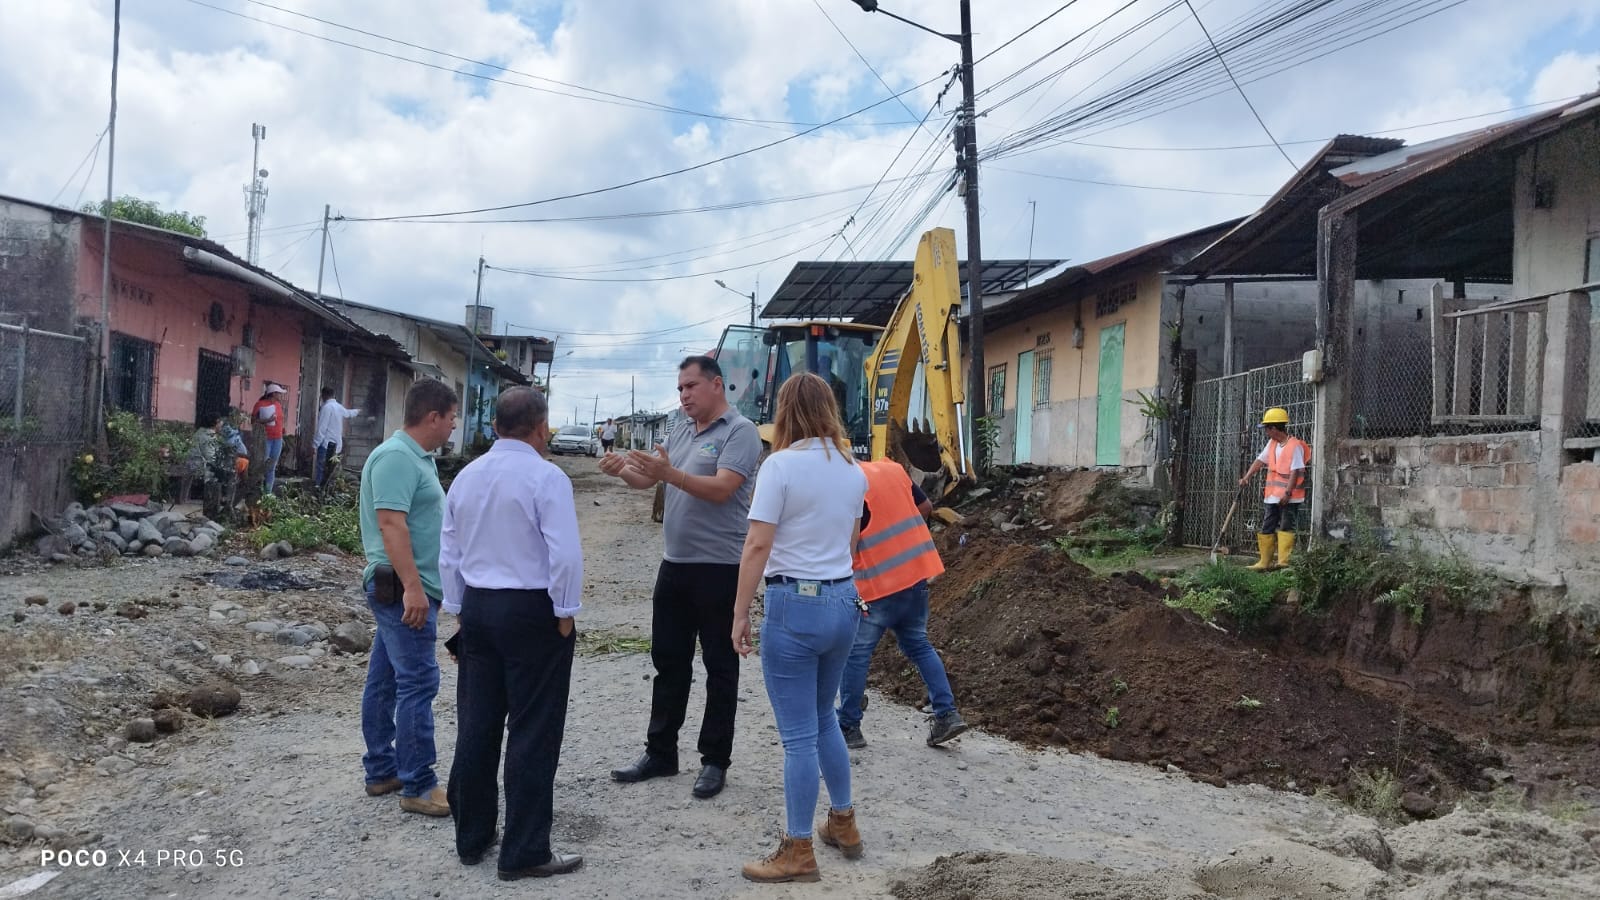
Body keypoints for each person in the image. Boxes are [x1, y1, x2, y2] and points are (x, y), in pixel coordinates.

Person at [600, 355, 761, 800]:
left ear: (716, 385)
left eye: (690, 386)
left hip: (720, 568)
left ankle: (714, 760)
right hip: (675, 565)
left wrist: (669, 473)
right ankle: (661, 752)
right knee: (668, 662)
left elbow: (723, 488)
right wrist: (623, 470)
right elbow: (652, 479)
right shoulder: (680, 429)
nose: (684, 395)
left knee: (720, 667)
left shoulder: (740, 432)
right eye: (680, 389)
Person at [440, 387, 584, 880]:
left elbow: (449, 552)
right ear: (541, 428)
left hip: (479, 607)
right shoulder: (547, 477)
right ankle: (524, 850)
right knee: (533, 729)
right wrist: (565, 612)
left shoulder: (466, 476)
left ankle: (472, 837)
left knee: (477, 724)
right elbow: (565, 553)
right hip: (531, 611)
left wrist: (458, 608)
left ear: (495, 427)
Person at [731, 372, 867, 883]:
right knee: (824, 715)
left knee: (797, 737)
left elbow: (757, 544)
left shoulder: (780, 466)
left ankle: (798, 849)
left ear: (785, 412)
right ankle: (844, 822)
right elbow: (851, 543)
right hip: (842, 599)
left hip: (795, 603)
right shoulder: (852, 469)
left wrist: (740, 612)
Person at [357, 378, 458, 817]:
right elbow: (391, 525)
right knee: (418, 682)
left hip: (408, 587)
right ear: (433, 417)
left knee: (384, 681)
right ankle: (418, 784)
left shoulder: (418, 458)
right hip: (402, 588)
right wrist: (414, 588)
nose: (454, 426)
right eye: (451, 418)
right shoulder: (397, 457)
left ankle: (382, 769)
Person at [836, 460, 968, 750]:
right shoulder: (893, 470)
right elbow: (925, 507)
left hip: (877, 585)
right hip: (915, 576)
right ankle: (947, 714)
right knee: (919, 645)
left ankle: (849, 725)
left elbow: (847, 541)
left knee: (856, 654)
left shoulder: (847, 483)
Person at [1238, 406, 1311, 571]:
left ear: (1274, 428)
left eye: (1266, 428)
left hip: (1289, 496)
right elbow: (1259, 461)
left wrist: (1287, 493)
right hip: (1272, 495)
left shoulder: (1294, 446)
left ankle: (1283, 563)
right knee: (1267, 526)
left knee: (1286, 526)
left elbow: (1295, 471)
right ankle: (1264, 562)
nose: (1265, 432)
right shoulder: (1272, 444)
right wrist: (1247, 477)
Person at [186, 412, 234, 521]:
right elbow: (211, 458)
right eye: (220, 422)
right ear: (215, 423)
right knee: (225, 472)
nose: (221, 425)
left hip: (193, 464)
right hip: (200, 466)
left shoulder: (200, 432)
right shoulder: (209, 437)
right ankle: (223, 499)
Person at [314, 386, 362, 487]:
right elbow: (348, 413)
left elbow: (322, 428)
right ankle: (327, 490)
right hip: (336, 446)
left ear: (323, 395)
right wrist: (358, 411)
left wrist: (315, 445)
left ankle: (319, 490)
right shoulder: (338, 407)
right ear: (333, 395)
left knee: (321, 470)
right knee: (330, 472)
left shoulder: (326, 408)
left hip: (326, 445)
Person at [250, 382, 289, 494]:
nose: (280, 396)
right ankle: (260, 489)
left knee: (272, 466)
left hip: (278, 438)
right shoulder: (260, 404)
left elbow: (280, 420)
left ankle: (268, 492)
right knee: (263, 465)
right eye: (279, 393)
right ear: (273, 394)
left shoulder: (278, 405)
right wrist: (267, 421)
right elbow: (253, 421)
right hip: (266, 438)